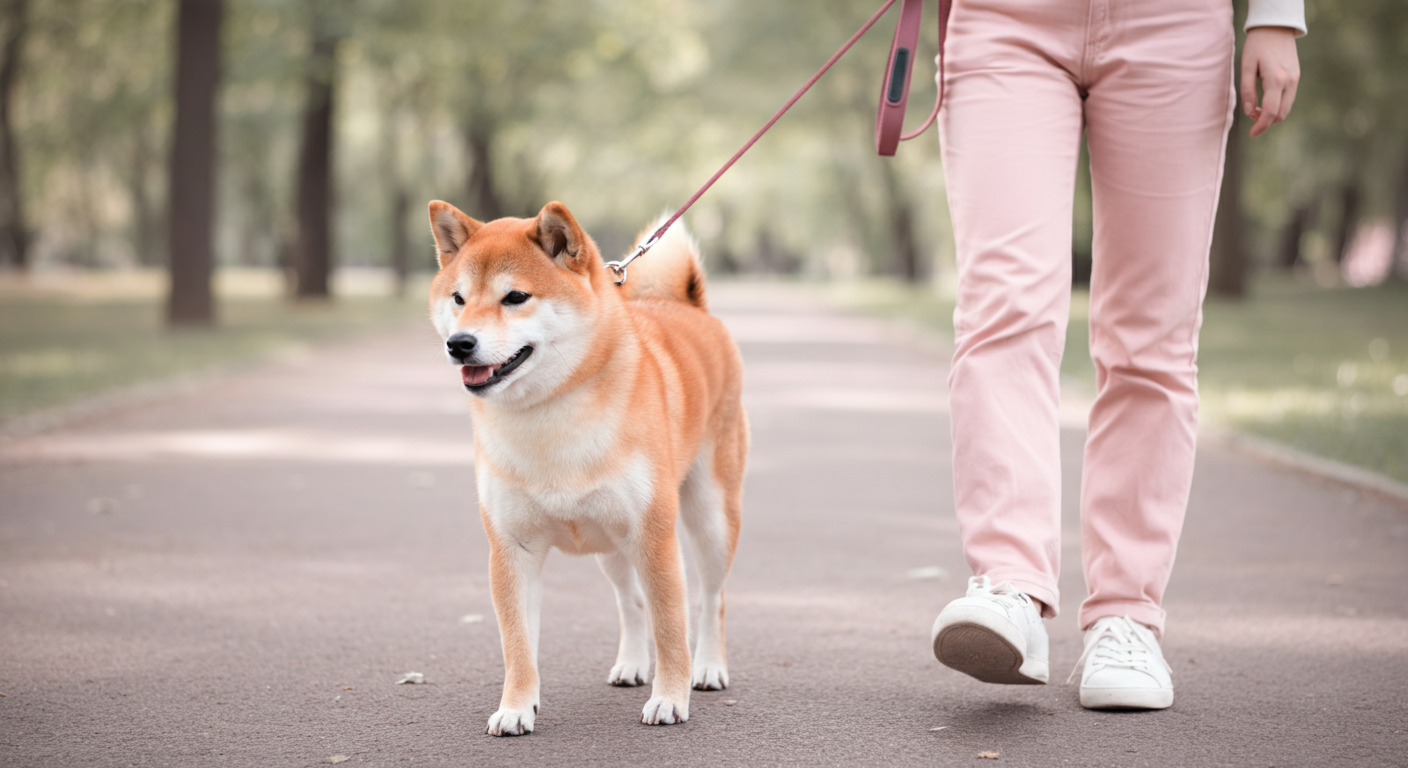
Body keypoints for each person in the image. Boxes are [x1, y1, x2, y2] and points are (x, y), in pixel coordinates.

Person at [927, 0, 1303, 710]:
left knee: (1153, 335)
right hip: (1005, 19)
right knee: (1002, 307)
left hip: (1175, 22)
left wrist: (1278, 13)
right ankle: (1010, 582)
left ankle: (1126, 616)